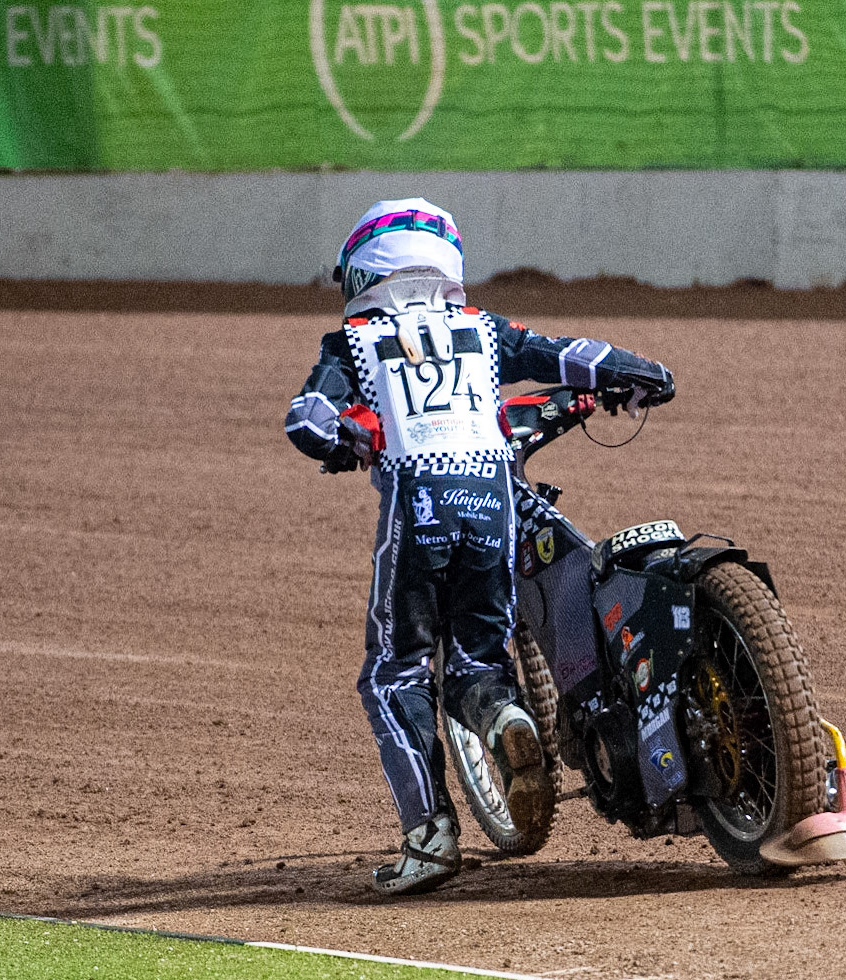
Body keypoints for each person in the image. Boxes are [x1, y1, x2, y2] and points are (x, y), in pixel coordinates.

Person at [285, 198, 675, 895]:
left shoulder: (353, 342)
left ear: (364, 270)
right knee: (474, 662)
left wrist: (347, 438)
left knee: (394, 674)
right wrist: (641, 372)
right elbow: (574, 356)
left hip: (420, 500)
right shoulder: (481, 329)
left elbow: (306, 418)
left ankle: (430, 838)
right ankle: (503, 714)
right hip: (491, 501)